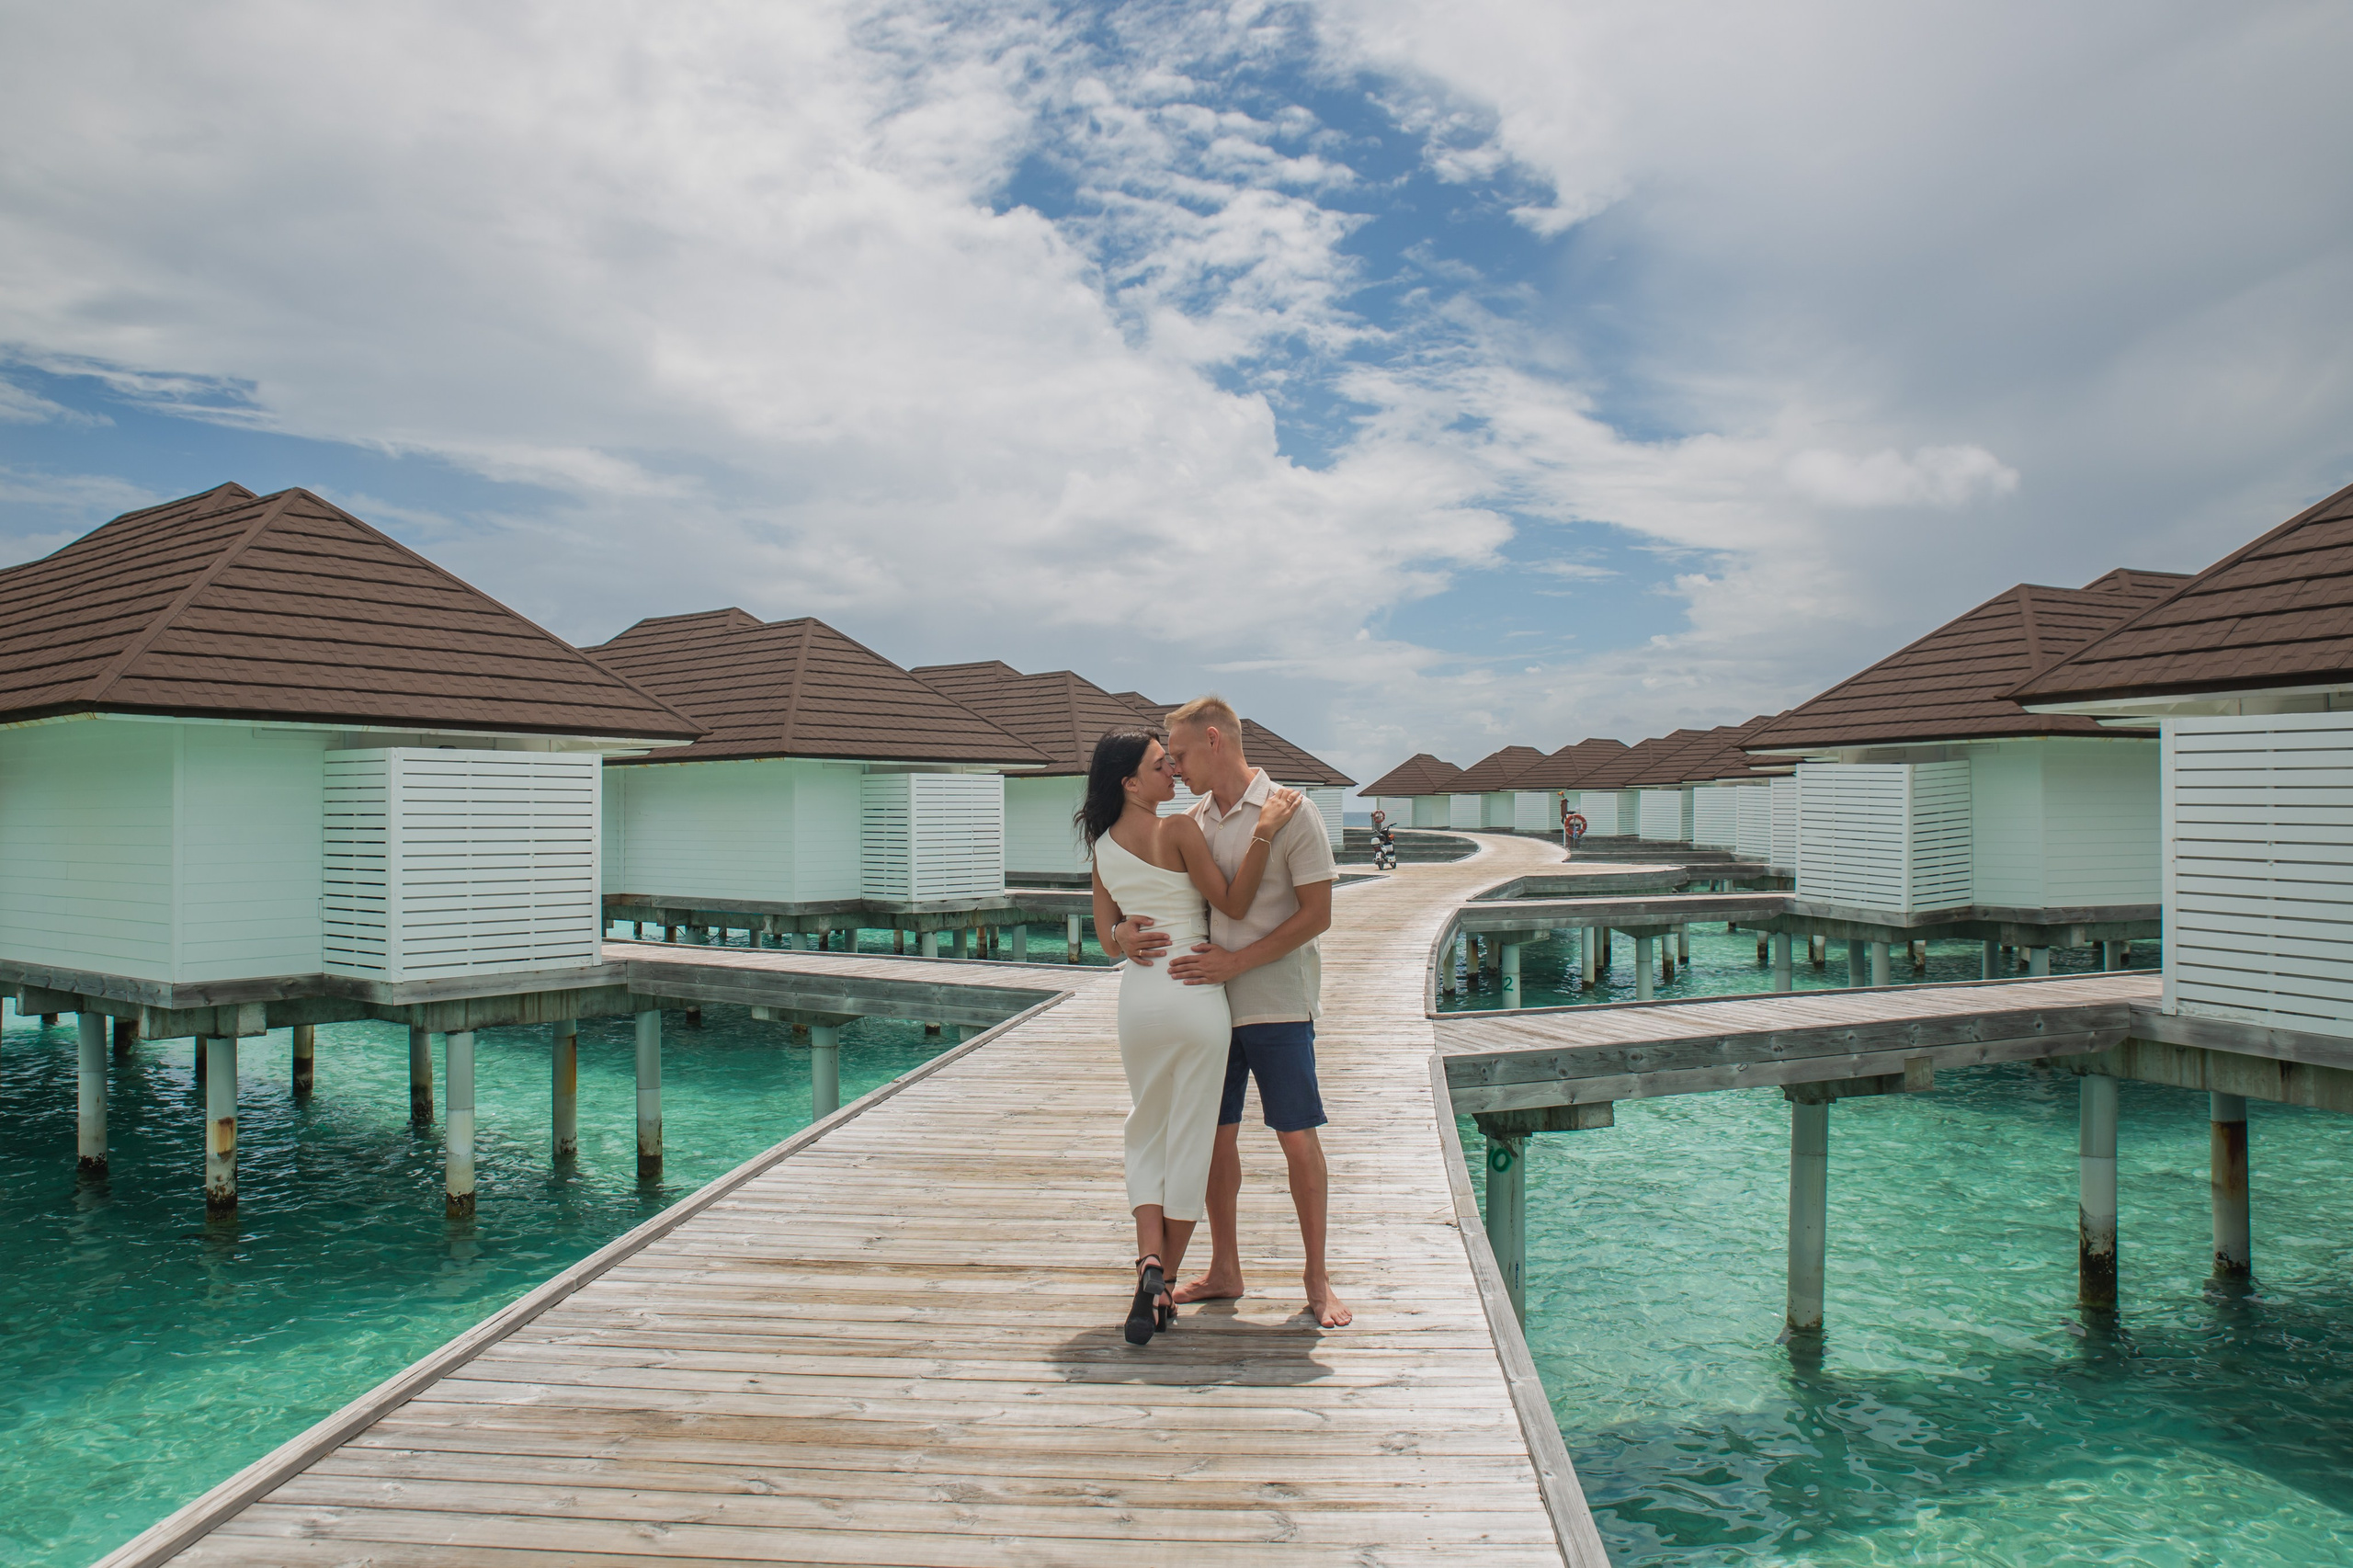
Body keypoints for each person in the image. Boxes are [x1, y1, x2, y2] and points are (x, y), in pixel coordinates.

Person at [1108, 696, 1352, 1329]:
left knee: (1296, 1137)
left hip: (1273, 1003)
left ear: (1214, 740)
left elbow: (1317, 915)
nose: (1177, 768)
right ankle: (1224, 1269)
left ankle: (1317, 1279)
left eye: (1181, 755)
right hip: (1206, 1008)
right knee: (1214, 1143)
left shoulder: (1294, 811)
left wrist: (1237, 966)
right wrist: (1121, 937)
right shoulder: (1189, 821)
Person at [1081, 727, 1305, 1346]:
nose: (1173, 775)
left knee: (1145, 1129)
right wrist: (1263, 832)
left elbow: (1107, 938)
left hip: (1141, 1001)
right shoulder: (1178, 830)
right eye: (1160, 766)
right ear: (1131, 782)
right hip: (1194, 993)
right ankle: (1164, 1277)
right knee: (1189, 1141)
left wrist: (1124, 938)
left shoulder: (1102, 847)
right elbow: (1232, 904)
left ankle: (1148, 1261)